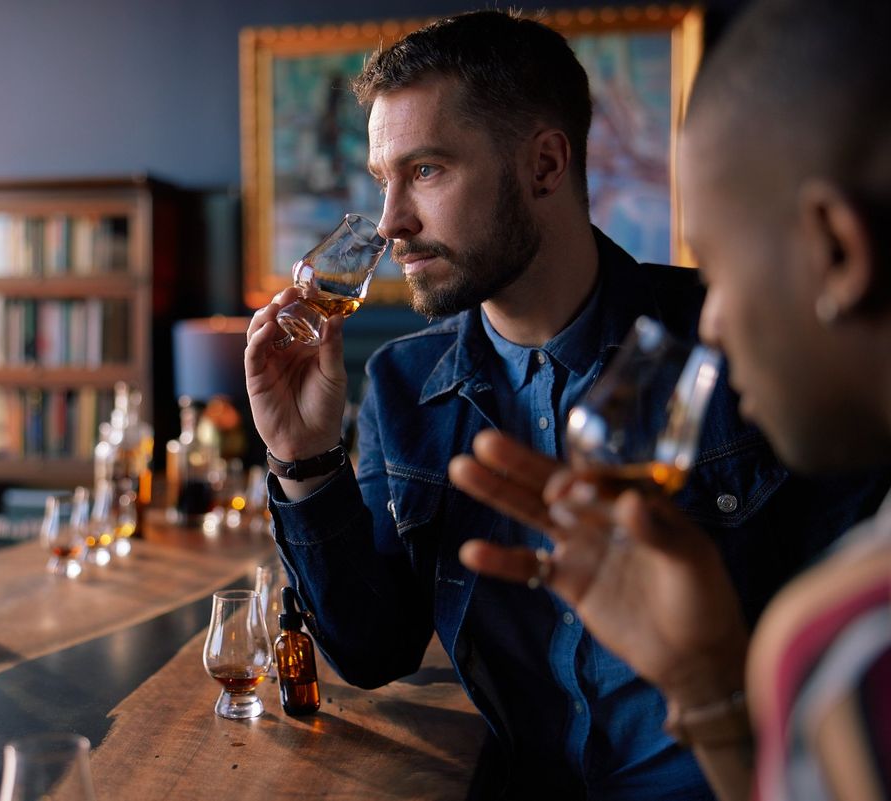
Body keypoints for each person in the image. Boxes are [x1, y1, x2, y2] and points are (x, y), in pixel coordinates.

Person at [244, 9, 887, 799]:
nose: (390, 224)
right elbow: (374, 652)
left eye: (427, 171)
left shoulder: (748, 346)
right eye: (384, 179)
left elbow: (854, 641)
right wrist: (303, 457)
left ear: (546, 164)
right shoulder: (402, 384)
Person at [449, 0, 891, 799]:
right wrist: (706, 682)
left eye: (718, 266)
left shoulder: (857, 636)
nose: (710, 322)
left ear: (838, 249)